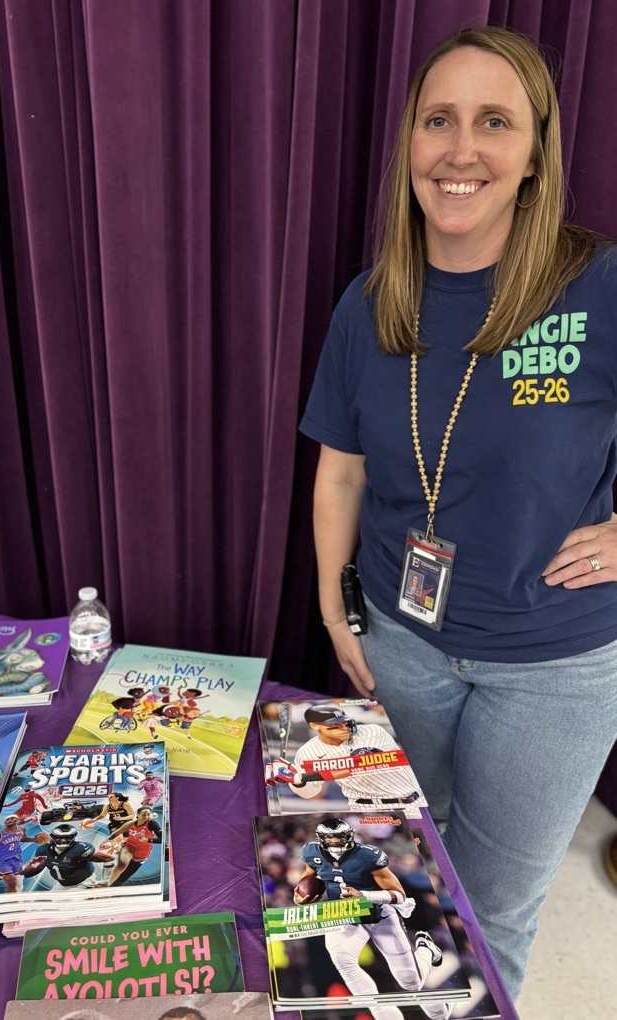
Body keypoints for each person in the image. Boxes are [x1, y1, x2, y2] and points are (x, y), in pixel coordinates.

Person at [299, 24, 617, 1000]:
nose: (461, 149)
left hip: (556, 671)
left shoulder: (598, 284)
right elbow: (341, 472)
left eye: (493, 122)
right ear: (410, 144)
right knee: (400, 879)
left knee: (493, 913)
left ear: (534, 153)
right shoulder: (370, 303)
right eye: (438, 120)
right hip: (403, 643)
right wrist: (332, 607)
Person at [295, 818, 448, 1020]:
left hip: (378, 913)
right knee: (342, 960)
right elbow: (310, 878)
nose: (335, 843)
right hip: (344, 914)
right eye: (330, 839)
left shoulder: (368, 855)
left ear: (349, 836)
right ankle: (381, 1012)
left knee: (409, 981)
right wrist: (300, 896)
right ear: (321, 839)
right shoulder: (311, 852)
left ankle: (426, 949)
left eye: (339, 838)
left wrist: (365, 896)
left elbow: (399, 895)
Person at [265, 704, 424, 810]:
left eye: (344, 722)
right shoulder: (307, 751)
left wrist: (306, 774)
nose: (344, 728)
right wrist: (296, 780)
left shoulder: (372, 731)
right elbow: (310, 793)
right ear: (314, 726)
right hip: (364, 809)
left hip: (412, 800)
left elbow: (362, 764)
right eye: (334, 724)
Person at [33, 823, 114, 888]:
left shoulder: (80, 849)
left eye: (67, 838)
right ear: (53, 837)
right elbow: (34, 866)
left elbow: (108, 858)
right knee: (50, 907)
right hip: (62, 885)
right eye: (60, 838)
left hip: (83, 883)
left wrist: (104, 882)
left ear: (73, 837)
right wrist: (25, 869)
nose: (63, 840)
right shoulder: (43, 850)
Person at [100, 806, 162, 887]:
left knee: (122, 878)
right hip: (129, 847)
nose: (146, 817)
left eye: (148, 814)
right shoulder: (130, 823)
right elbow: (116, 833)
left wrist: (146, 840)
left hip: (142, 853)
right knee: (122, 864)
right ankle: (105, 884)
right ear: (138, 814)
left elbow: (162, 839)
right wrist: (106, 840)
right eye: (144, 814)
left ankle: (111, 889)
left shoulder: (152, 823)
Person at [0, 813, 45, 893]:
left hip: (16, 859)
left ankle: (15, 902)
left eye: (12, 818)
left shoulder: (22, 829)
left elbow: (23, 839)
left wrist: (34, 840)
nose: (10, 820)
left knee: (18, 884)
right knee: (12, 882)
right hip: (1, 860)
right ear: (5, 823)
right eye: (7, 819)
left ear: (17, 820)